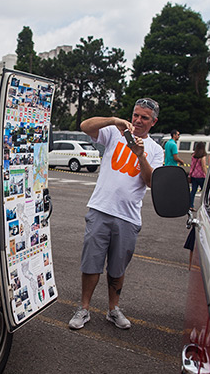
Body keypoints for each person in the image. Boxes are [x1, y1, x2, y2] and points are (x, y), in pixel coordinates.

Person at [68, 98, 164, 330]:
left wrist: (140, 155)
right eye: (136, 115)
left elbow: (151, 182)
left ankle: (113, 309)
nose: (138, 121)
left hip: (128, 217)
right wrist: (114, 120)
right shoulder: (113, 132)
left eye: (144, 118)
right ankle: (84, 308)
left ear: (154, 122)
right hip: (101, 209)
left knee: (117, 268)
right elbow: (85, 126)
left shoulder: (156, 150)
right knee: (91, 263)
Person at [188, 141, 207, 210]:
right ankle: (205, 206)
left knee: (193, 191)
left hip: (193, 175)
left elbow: (192, 165)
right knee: (205, 191)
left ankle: (190, 205)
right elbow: (203, 166)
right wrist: (207, 174)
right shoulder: (202, 157)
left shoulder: (193, 155)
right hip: (201, 176)